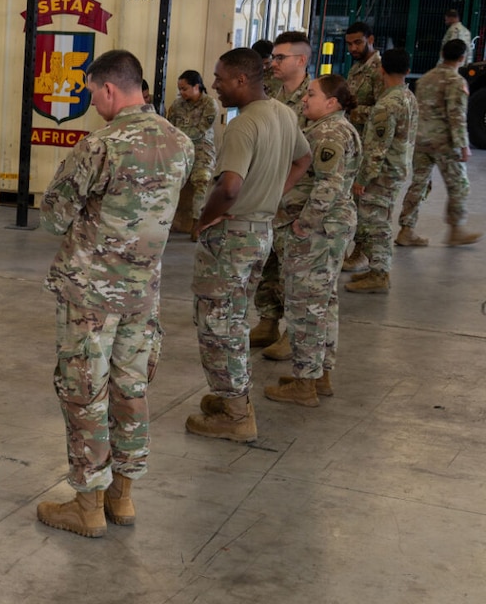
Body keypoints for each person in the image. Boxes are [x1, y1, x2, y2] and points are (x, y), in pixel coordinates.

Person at [36, 50, 193, 538]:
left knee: (85, 393)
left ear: (108, 89)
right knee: (132, 389)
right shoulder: (181, 142)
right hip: (143, 294)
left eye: (90, 91)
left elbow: (54, 218)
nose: (90, 100)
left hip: (91, 297)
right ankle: (122, 498)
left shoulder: (100, 146)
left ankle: (87, 506)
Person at [187, 48, 310, 443]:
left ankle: (237, 414)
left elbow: (230, 186)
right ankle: (230, 397)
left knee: (218, 324)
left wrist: (204, 219)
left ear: (241, 80)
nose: (215, 85)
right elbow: (303, 160)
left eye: (220, 78)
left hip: (233, 235)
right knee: (234, 318)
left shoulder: (243, 126)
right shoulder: (283, 113)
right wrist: (272, 196)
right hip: (259, 232)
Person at [263, 76, 361, 407]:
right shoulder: (331, 128)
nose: (305, 99)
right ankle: (319, 374)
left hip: (318, 233)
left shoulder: (330, 132)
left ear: (332, 102)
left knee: (304, 306)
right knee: (322, 304)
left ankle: (305, 384)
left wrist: (304, 225)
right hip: (328, 230)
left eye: (311, 94)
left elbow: (328, 185)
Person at [251, 30, 314, 356]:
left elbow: (311, 157)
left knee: (295, 270)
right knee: (267, 265)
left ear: (301, 60)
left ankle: (294, 334)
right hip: (268, 195)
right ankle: (267, 321)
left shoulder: (315, 98)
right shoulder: (270, 94)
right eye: (273, 57)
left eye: (280, 58)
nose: (272, 62)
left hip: (297, 200)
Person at [396, 38, 482, 247]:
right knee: (459, 185)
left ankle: (406, 230)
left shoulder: (426, 78)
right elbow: (456, 115)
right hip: (444, 141)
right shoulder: (455, 81)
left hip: (421, 139)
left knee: (419, 184)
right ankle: (456, 229)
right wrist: (463, 145)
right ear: (463, 58)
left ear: (443, 55)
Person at [345, 49, 418, 294]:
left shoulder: (385, 106)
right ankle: (377, 268)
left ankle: (380, 274)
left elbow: (376, 149)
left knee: (376, 223)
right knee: (380, 219)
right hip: (397, 168)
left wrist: (362, 178)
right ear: (407, 71)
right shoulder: (408, 97)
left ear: (381, 69)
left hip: (383, 173)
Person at [166, 70, 217, 231]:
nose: (182, 93)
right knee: (168, 178)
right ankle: (165, 220)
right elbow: (169, 127)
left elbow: (201, 129)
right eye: (180, 89)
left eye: (185, 89)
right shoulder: (177, 105)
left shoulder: (209, 104)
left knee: (202, 178)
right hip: (180, 149)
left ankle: (197, 222)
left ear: (197, 86)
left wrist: (180, 136)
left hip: (202, 149)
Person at [344, 21, 382, 130]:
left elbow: (383, 111)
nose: (353, 48)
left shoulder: (380, 70)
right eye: (349, 44)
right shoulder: (355, 68)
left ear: (370, 40)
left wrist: (351, 111)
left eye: (358, 42)